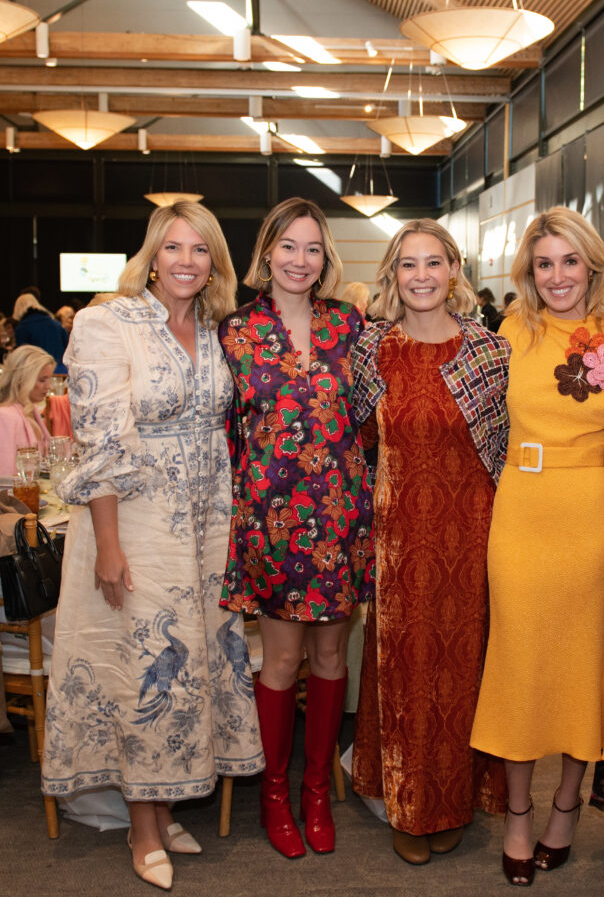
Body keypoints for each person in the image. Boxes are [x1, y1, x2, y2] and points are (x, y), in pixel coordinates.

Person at [41, 201, 264, 892]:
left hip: (204, 526)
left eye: (201, 250)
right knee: (142, 670)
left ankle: (163, 808)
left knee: (187, 663)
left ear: (214, 262)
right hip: (134, 524)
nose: (187, 262)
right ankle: (142, 828)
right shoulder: (110, 323)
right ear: (151, 254)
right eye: (173, 248)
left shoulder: (211, 326)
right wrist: (108, 546)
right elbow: (101, 441)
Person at [470, 207, 604, 886]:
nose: (557, 275)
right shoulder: (510, 329)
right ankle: (516, 813)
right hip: (518, 506)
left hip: (587, 514)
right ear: (528, 271)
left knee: (580, 663)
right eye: (543, 263)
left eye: (568, 261)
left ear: (592, 265)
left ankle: (565, 807)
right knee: (517, 658)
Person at [351, 219, 510, 865]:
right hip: (395, 540)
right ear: (393, 275)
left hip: (472, 534)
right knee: (403, 671)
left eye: (433, 263)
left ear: (453, 271)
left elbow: (511, 448)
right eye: (407, 265)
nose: (420, 276)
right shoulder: (372, 352)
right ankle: (407, 801)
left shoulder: (489, 353)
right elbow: (355, 444)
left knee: (463, 669)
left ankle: (454, 798)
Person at [219, 197, 374, 859]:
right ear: (267, 252)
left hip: (338, 520)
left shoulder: (351, 326)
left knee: (332, 658)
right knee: (281, 660)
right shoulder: (235, 330)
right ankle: (274, 796)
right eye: (288, 246)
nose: (300, 260)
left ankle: (317, 792)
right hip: (272, 523)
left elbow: (376, 419)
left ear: (325, 258)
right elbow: (222, 431)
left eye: (312, 248)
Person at [0, 344, 54, 475]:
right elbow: (4, 476)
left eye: (49, 379)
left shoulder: (31, 410)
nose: (49, 386)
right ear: (22, 379)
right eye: (42, 380)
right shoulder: (5, 416)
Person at [12, 293, 69, 373]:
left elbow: (22, 357)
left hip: (37, 373)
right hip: (61, 372)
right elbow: (68, 347)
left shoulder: (22, 328)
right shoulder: (57, 324)